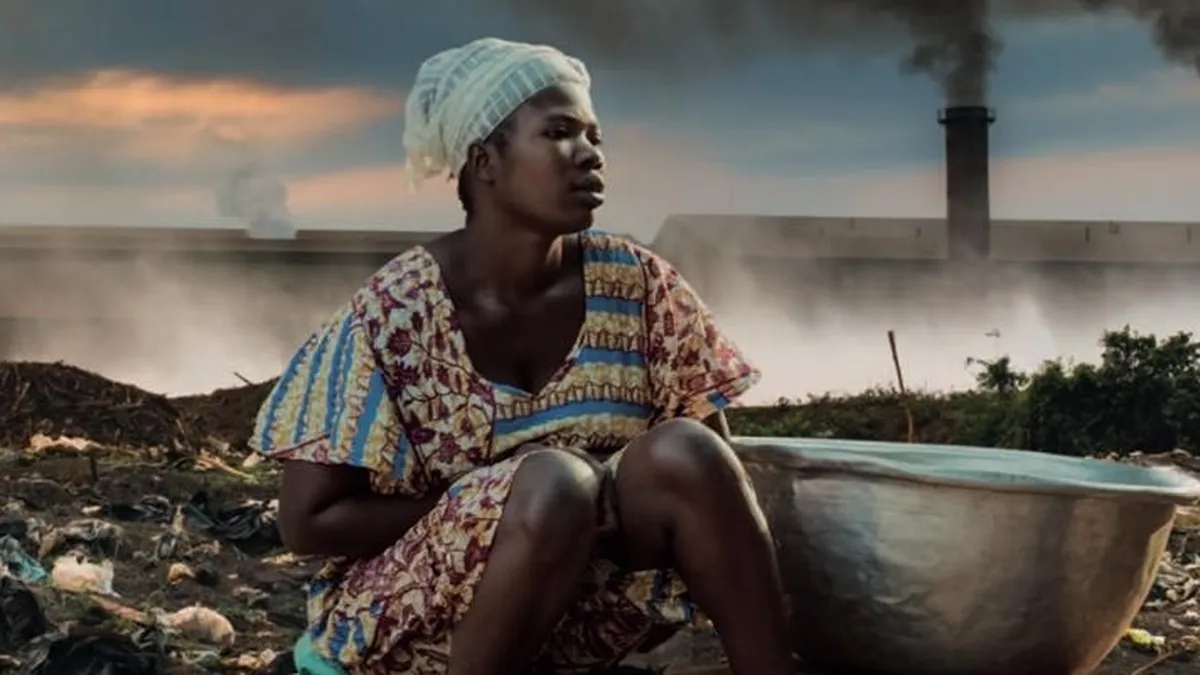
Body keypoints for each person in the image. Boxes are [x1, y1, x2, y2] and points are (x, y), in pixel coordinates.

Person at [252, 37, 793, 675]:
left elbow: (711, 486)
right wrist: (502, 514)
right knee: (555, 484)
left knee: (687, 452)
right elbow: (307, 522)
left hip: (579, 614)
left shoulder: (641, 286)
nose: (590, 153)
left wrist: (587, 516)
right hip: (416, 632)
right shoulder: (392, 314)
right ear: (485, 161)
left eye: (594, 136)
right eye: (560, 133)